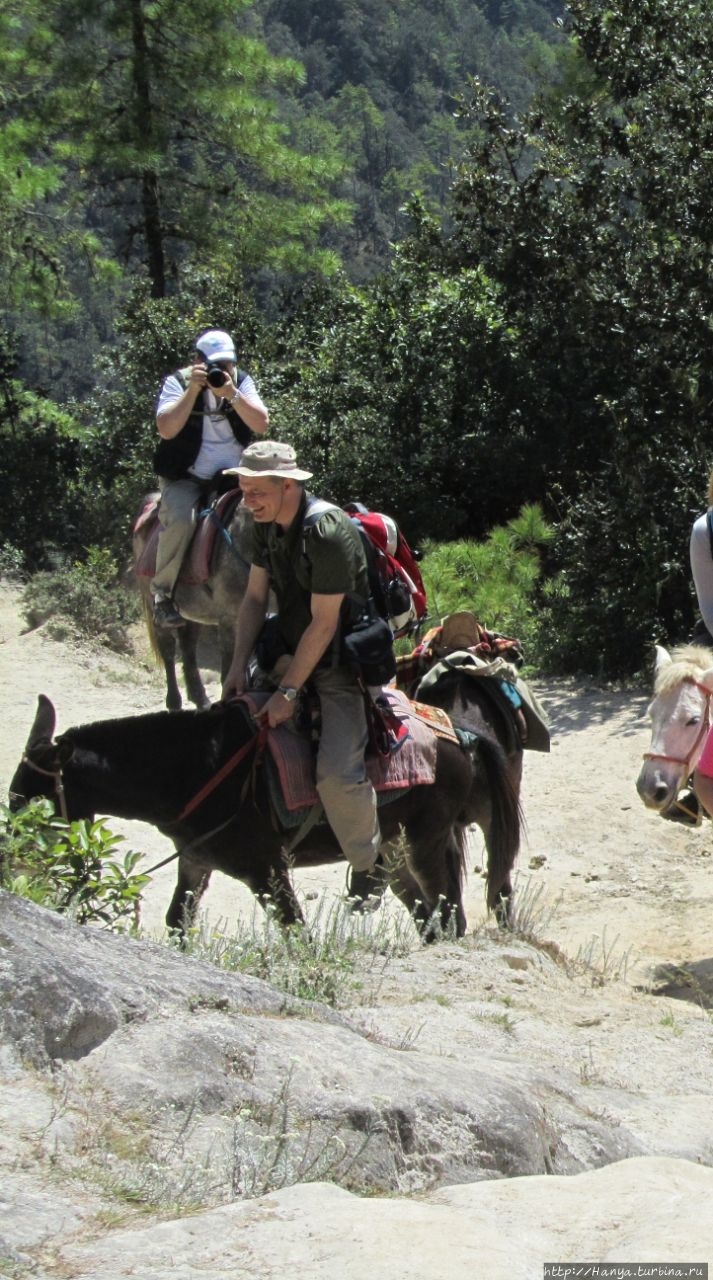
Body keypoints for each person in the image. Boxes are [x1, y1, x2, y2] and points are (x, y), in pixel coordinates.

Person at [221, 439, 384, 892]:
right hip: (288, 652)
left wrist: (287, 693)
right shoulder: (263, 525)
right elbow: (255, 599)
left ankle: (371, 866)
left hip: (335, 664)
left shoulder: (326, 533)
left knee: (336, 774)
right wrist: (237, 666)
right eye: (244, 490)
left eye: (257, 491)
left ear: (289, 485)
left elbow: (324, 623)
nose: (248, 501)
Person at [150, 328, 269, 627]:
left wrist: (232, 395)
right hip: (187, 476)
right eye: (215, 364)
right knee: (180, 518)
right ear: (197, 362)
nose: (222, 370)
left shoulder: (240, 382)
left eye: (227, 364)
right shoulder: (177, 382)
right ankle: (162, 595)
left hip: (234, 477)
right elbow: (166, 429)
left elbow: (261, 423)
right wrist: (192, 391)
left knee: (273, 512)